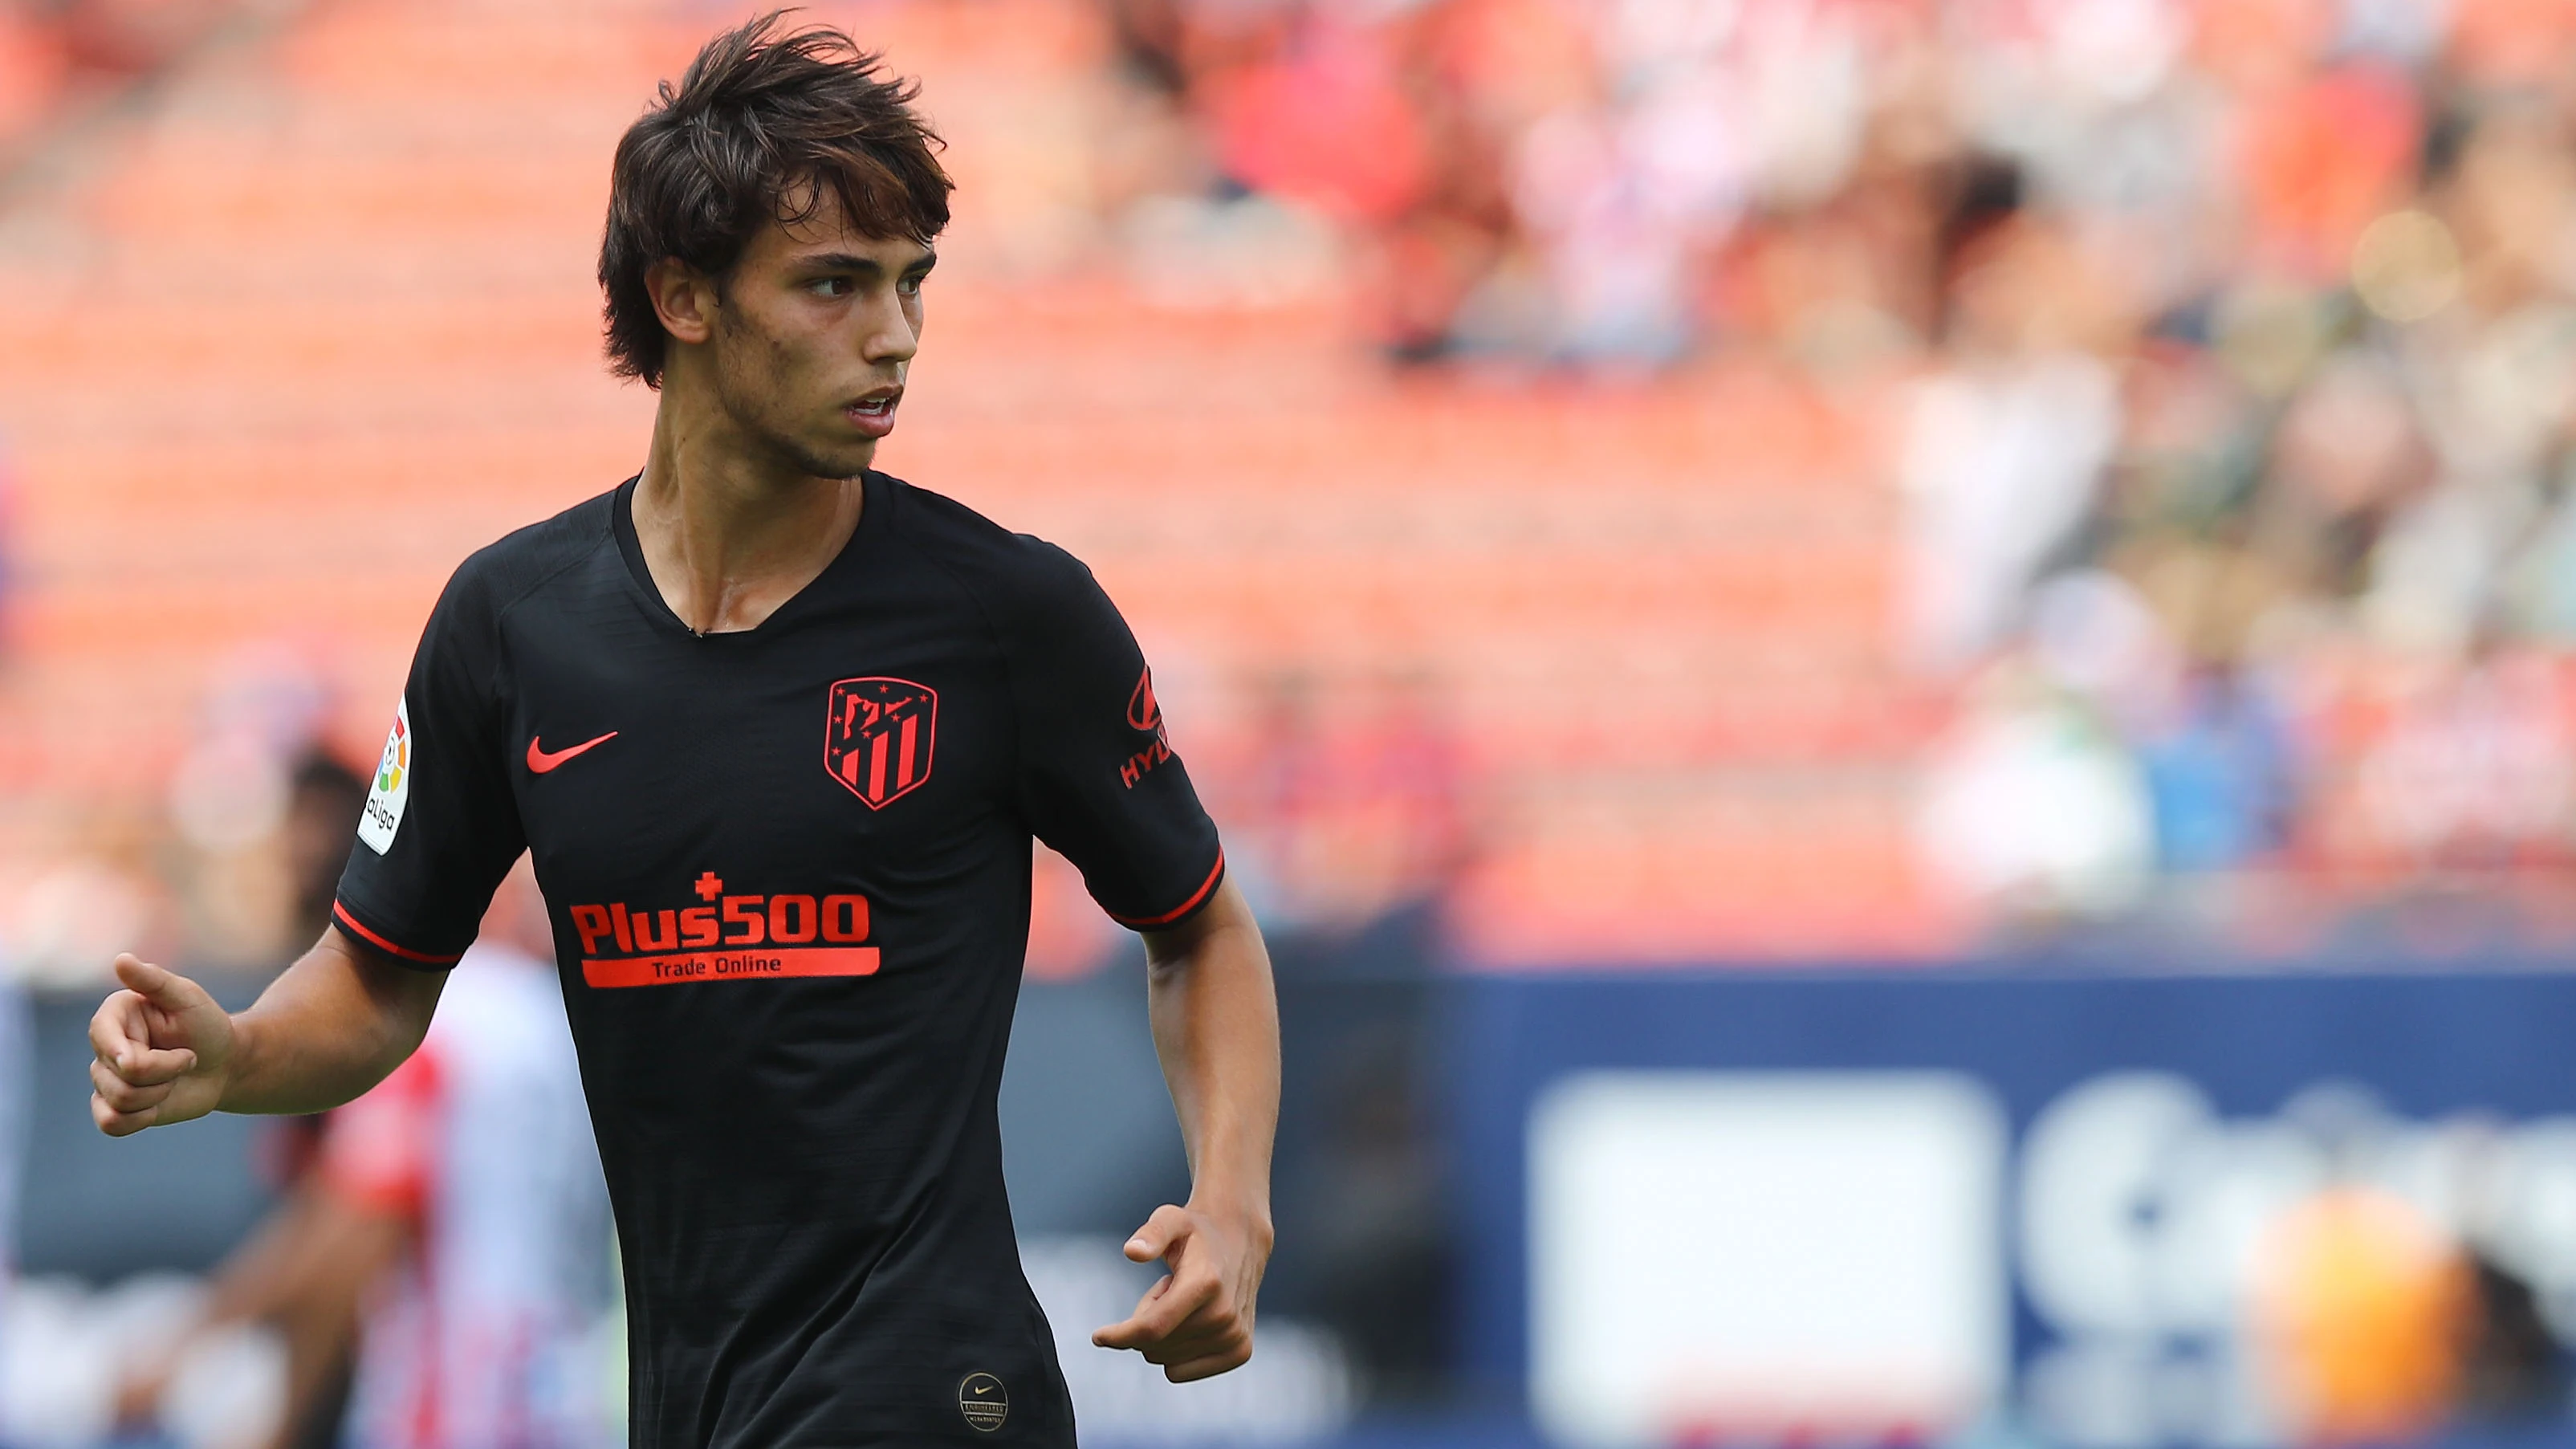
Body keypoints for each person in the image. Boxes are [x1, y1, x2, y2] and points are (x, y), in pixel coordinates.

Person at [85, 14, 1281, 1447]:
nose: (893, 336)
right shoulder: (509, 626)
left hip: (932, 1392)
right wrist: (237, 1062)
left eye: (911, 284)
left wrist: (1231, 1206)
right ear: (684, 298)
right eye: (833, 286)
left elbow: (1197, 924)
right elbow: (378, 979)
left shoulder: (1007, 615)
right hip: (683, 1400)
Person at [112, 867, 613, 1449]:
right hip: (561, 1393)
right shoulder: (550, 1015)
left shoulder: (436, 1021)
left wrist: (233, 1384)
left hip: (451, 1408)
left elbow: (356, 1224)